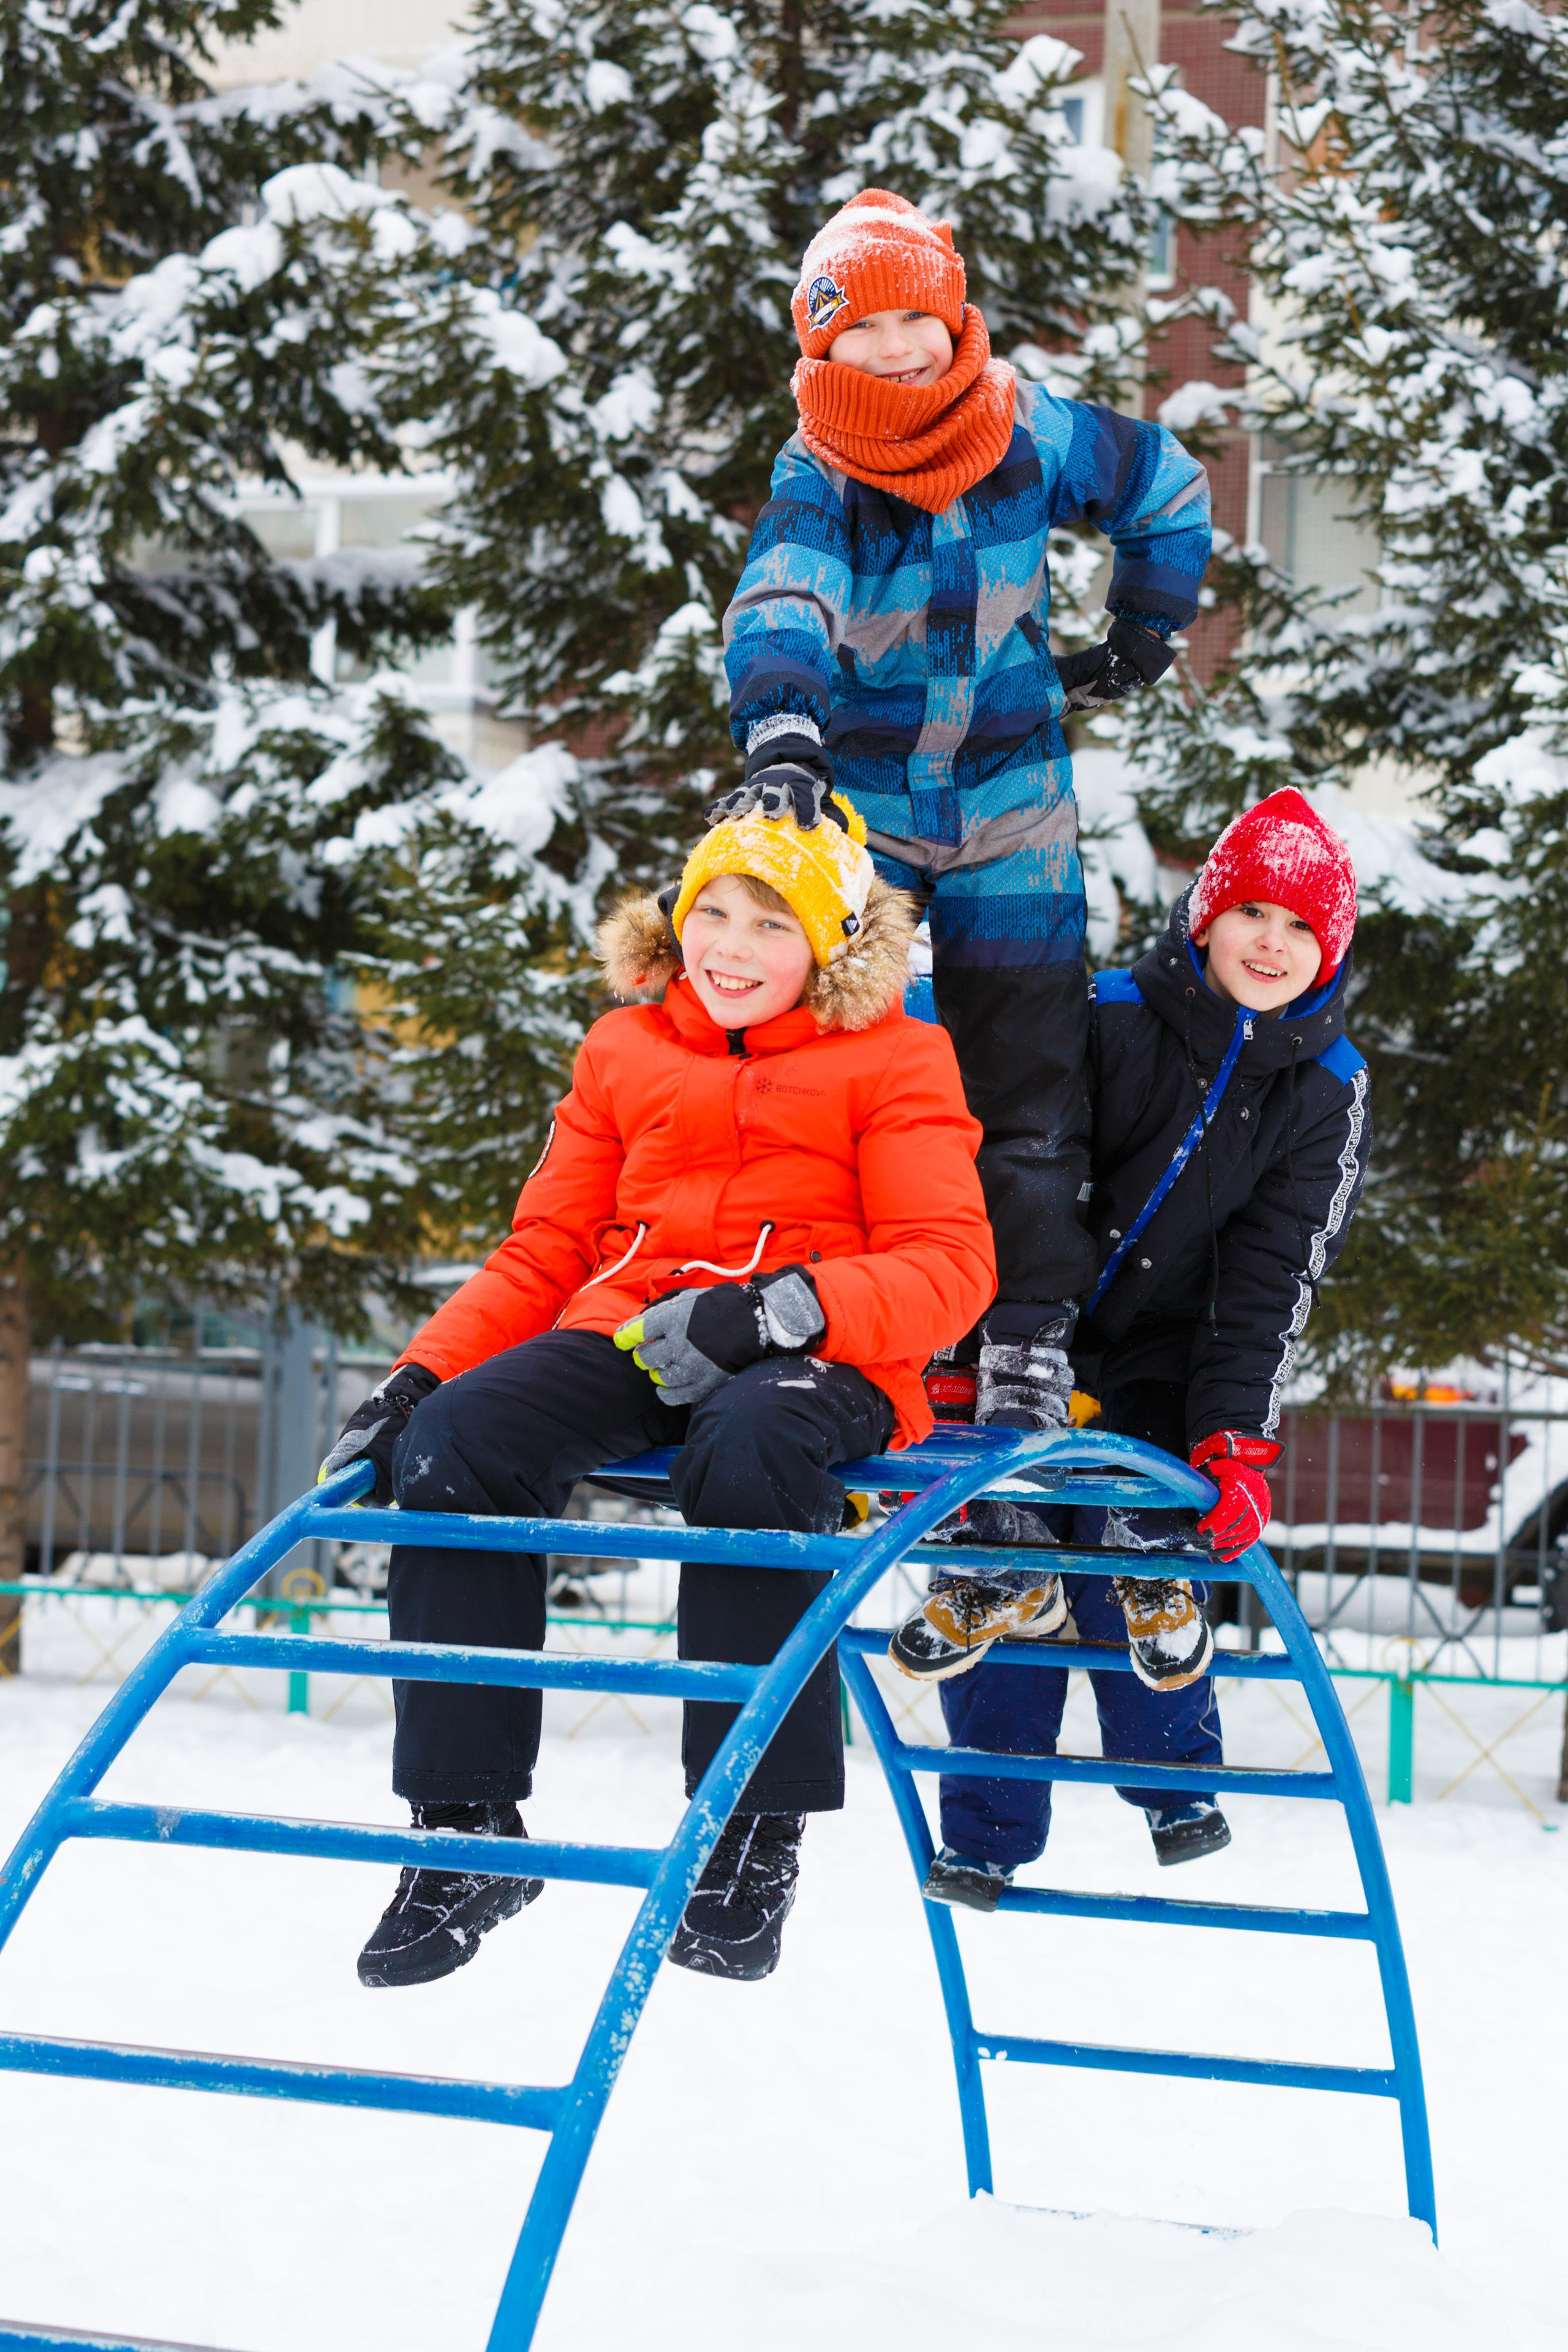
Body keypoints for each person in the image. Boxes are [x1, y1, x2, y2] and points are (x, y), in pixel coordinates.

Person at [318, 798, 995, 1988]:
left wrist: (781, 1308)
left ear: (829, 946)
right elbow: (544, 1248)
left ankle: (746, 1830)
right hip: (634, 1327)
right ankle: (464, 1826)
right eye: (711, 914)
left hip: (817, 1354)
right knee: (454, 1441)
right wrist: (418, 1375)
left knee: (741, 1446)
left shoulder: (896, 1055)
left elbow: (949, 1265)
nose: (730, 948)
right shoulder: (626, 1050)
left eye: (770, 926)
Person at [716, 186, 1211, 1438]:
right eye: (859, 332)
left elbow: (1162, 480)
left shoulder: (1022, 431)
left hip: (1009, 803)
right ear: (819, 350)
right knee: (832, 1069)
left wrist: (1144, 626)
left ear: (954, 319)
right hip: (866, 816)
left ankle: (1027, 1337)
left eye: (913, 322)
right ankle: (848, 1311)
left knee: (1029, 1080)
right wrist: (781, 728)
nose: (893, 352)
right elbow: (784, 592)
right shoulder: (817, 468)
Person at [885, 790, 1369, 1902]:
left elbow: (1271, 1278)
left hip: (1164, 1353)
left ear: (1330, 949)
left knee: (1132, 1533)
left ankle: (1172, 1782)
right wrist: (1007, 1342)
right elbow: (1024, 1163)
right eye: (1251, 912)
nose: (1272, 942)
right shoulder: (1107, 1014)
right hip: (1019, 1323)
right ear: (1204, 919)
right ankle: (987, 1823)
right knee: (1005, 1541)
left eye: (1301, 927)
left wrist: (1232, 1435)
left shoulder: (1327, 1091)